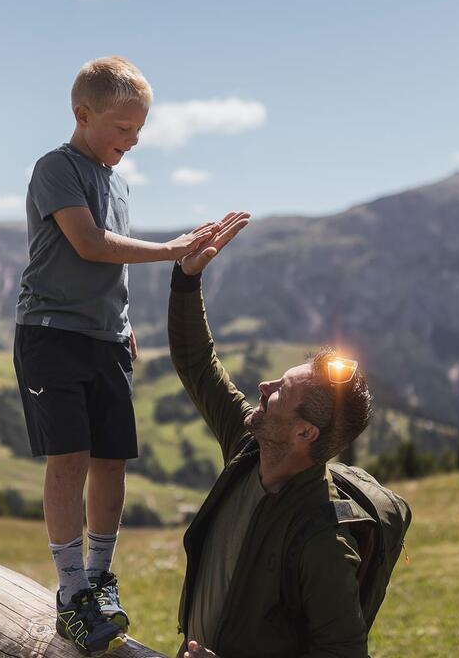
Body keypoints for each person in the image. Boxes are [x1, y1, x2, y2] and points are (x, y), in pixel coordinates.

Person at [13, 55, 219, 655]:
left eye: (138, 131)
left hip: (106, 339)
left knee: (111, 461)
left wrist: (123, 322)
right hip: (51, 334)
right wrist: (172, 248)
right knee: (69, 460)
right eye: (122, 129)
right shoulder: (56, 167)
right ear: (83, 115)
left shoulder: (118, 181)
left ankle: (101, 579)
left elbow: (111, 272)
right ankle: (71, 593)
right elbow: (90, 244)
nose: (131, 141)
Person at [167, 211, 373, 658]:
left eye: (280, 392)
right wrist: (186, 279)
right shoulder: (249, 448)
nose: (264, 387)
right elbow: (198, 364)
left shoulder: (325, 542)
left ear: (304, 432)